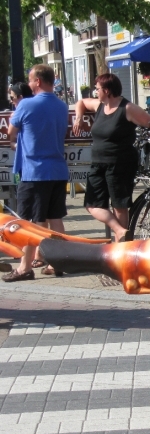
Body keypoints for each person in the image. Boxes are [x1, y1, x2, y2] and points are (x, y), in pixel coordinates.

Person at [73, 73, 150, 242]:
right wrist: (79, 118)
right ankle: (119, 230)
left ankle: (121, 249)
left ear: (107, 90)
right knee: (92, 204)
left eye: (97, 89)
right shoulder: (99, 105)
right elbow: (81, 102)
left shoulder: (127, 108)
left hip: (120, 163)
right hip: (98, 163)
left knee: (119, 205)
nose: (95, 92)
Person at [3, 65, 69, 282]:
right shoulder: (61, 106)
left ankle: (24, 267)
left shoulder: (26, 105)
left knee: (27, 222)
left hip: (34, 171)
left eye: (31, 81)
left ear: (38, 81)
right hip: (58, 169)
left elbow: (11, 133)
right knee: (55, 217)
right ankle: (57, 262)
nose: (29, 85)